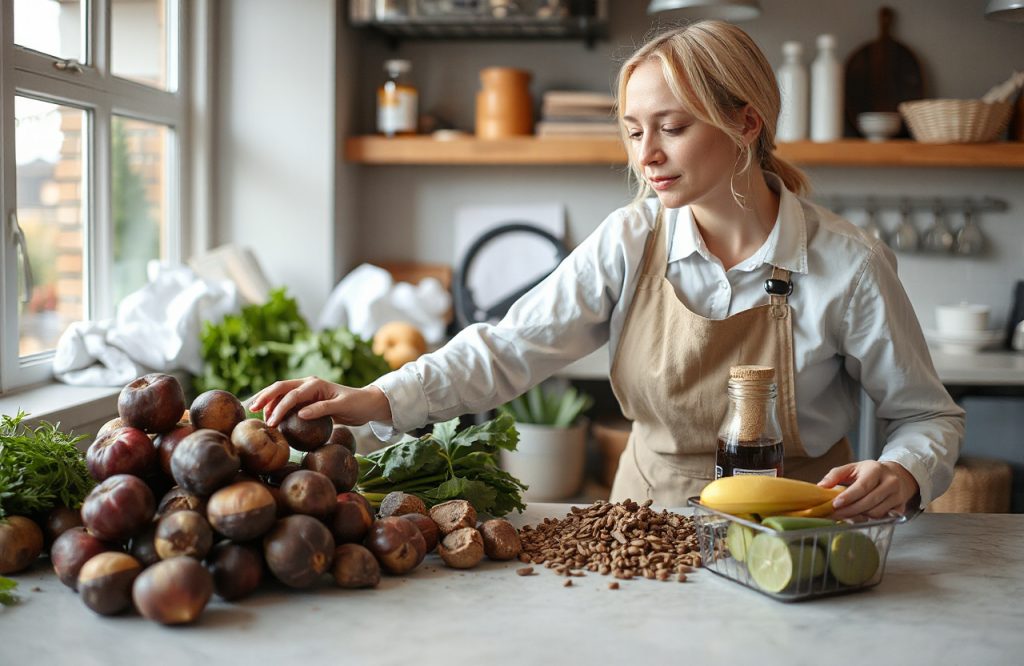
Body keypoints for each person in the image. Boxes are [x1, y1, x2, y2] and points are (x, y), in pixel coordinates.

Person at [249, 20, 964, 521]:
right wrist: (376, 397)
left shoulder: (850, 264)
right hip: (642, 526)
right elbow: (508, 348)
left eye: (672, 127)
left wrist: (901, 472)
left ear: (746, 123)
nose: (645, 154)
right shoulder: (629, 240)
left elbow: (925, 415)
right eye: (632, 130)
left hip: (798, 533)